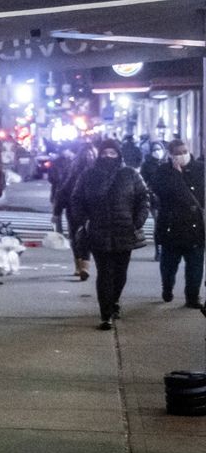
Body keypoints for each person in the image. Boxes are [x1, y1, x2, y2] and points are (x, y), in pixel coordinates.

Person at [71, 138, 150, 330]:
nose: (108, 156)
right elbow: (77, 199)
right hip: (99, 230)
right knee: (105, 273)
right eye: (105, 153)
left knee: (120, 273)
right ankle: (105, 313)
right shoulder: (88, 175)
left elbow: (143, 197)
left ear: (119, 154)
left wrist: (138, 221)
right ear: (100, 154)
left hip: (125, 230)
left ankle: (113, 301)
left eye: (112, 153)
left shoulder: (130, 174)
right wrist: (83, 220)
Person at [150, 140, 204, 308]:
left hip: (195, 226)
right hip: (171, 225)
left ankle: (192, 296)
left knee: (195, 266)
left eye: (184, 151)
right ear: (171, 155)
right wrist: (176, 175)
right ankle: (167, 288)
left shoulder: (200, 169)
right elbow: (161, 192)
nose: (182, 155)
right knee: (168, 265)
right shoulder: (164, 171)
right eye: (178, 153)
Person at [55, 143, 96, 281]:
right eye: (86, 155)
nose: (89, 157)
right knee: (74, 237)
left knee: (85, 237)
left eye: (91, 155)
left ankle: (84, 266)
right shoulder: (73, 172)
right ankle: (78, 264)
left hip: (90, 211)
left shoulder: (97, 172)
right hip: (73, 209)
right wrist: (57, 211)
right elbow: (62, 191)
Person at [141, 141, 168, 260]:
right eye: (155, 150)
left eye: (159, 149)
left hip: (168, 198)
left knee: (167, 224)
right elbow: (142, 182)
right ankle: (159, 251)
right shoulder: (147, 165)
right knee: (158, 224)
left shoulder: (168, 163)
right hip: (154, 198)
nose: (157, 152)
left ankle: (167, 249)